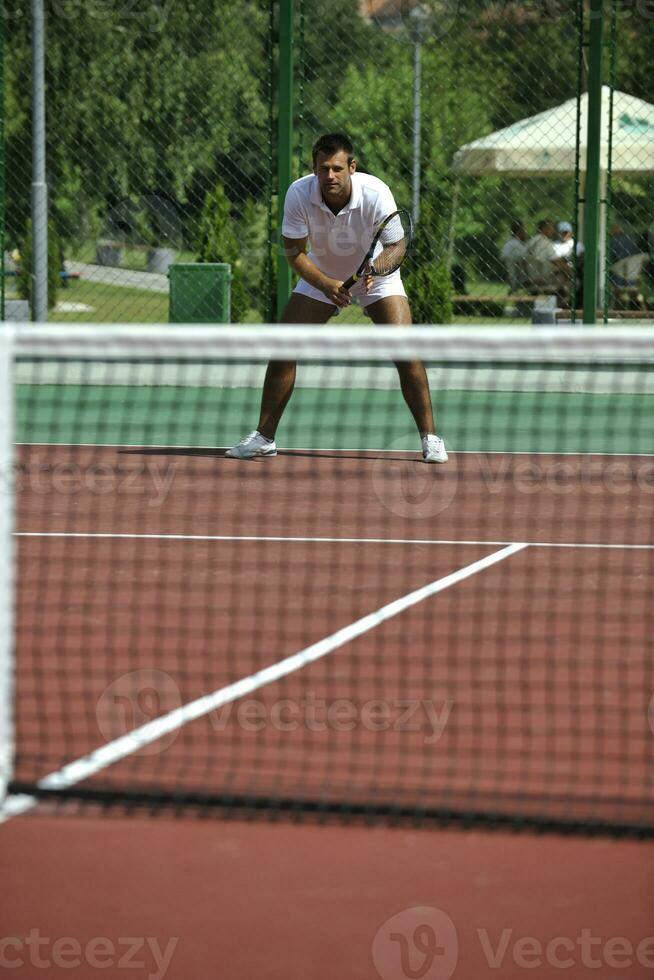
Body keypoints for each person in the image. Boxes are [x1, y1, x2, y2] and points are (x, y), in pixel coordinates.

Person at [226, 133, 448, 464]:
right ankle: (264, 437)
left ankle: (430, 439)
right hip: (321, 275)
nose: (330, 176)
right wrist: (326, 284)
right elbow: (294, 253)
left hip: (375, 276)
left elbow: (396, 246)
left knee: (406, 349)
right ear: (314, 168)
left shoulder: (376, 194)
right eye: (323, 168)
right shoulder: (299, 194)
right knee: (284, 348)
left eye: (337, 168)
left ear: (351, 167)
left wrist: (377, 267)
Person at [524, 219, 570, 299]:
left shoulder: (531, 242)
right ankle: (562, 305)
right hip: (544, 278)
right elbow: (556, 261)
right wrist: (570, 270)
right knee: (564, 276)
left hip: (530, 277)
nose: (553, 230)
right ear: (544, 229)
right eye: (551, 228)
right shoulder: (546, 243)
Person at [500, 221, 528, 292]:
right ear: (519, 231)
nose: (525, 233)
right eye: (524, 230)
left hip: (512, 280)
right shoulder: (516, 245)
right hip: (520, 281)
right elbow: (524, 261)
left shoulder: (508, 243)